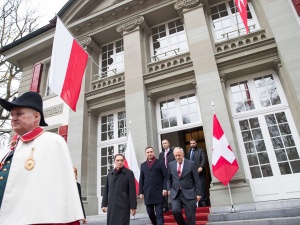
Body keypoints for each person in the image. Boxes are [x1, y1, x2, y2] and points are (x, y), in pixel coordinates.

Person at [0, 91, 84, 224]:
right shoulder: (7, 148)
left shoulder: (53, 141)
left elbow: (62, 190)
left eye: (19, 113)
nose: (13, 118)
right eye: (12, 115)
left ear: (36, 116)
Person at [168, 147, 201, 225]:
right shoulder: (171, 164)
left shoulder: (191, 164)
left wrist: (198, 194)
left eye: (179, 155)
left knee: (190, 216)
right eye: (175, 156)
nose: (177, 157)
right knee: (175, 211)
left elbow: (197, 180)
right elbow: (169, 179)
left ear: (183, 154)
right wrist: (169, 188)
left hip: (189, 193)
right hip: (176, 193)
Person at [101, 153, 137, 225]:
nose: (119, 162)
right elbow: (106, 190)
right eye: (117, 160)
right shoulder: (110, 174)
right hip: (112, 206)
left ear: (124, 161)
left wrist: (133, 206)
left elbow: (132, 191)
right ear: (114, 161)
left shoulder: (129, 173)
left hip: (123, 206)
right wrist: (104, 204)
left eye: (121, 160)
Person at [139, 147, 168, 225]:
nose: (149, 153)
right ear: (145, 154)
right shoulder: (143, 165)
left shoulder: (160, 162)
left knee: (159, 214)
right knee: (150, 213)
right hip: (148, 193)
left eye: (151, 152)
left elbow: (165, 176)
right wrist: (141, 192)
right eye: (148, 152)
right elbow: (141, 179)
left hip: (159, 192)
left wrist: (165, 188)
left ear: (154, 152)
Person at [187, 139, 208, 207]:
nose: (192, 144)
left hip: (200, 172)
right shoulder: (189, 151)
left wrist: (201, 167)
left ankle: (203, 201)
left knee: (201, 187)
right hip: (191, 173)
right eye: (191, 143)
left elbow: (204, 159)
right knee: (194, 187)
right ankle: (197, 202)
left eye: (193, 143)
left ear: (196, 143)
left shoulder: (201, 150)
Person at [158, 139, 175, 213]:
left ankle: (175, 205)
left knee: (173, 189)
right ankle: (165, 206)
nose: (164, 144)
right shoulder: (161, 154)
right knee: (164, 190)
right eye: (163, 143)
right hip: (164, 174)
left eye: (165, 143)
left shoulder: (173, 152)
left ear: (169, 144)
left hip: (172, 173)